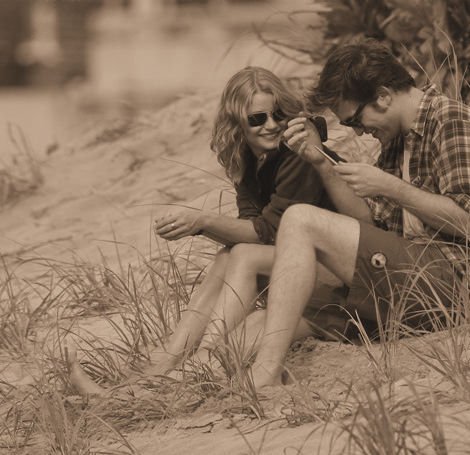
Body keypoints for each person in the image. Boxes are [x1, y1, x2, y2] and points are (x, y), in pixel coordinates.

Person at [248, 39, 470, 389]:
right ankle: (209, 379)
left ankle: (265, 376)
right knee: (259, 323)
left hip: (462, 284)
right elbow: (370, 224)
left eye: (355, 120)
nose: (359, 131)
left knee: (299, 219)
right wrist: (322, 163)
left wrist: (392, 187)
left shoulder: (450, 120)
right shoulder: (397, 140)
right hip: (413, 279)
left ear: (384, 96)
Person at [69, 66, 341, 395]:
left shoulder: (297, 152)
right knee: (230, 255)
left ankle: (196, 360)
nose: (271, 124)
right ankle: (167, 363)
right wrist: (203, 225)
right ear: (238, 123)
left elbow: (269, 232)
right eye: (258, 118)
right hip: (301, 269)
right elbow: (251, 225)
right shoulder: (251, 158)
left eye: (278, 114)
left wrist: (203, 222)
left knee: (241, 256)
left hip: (332, 274)